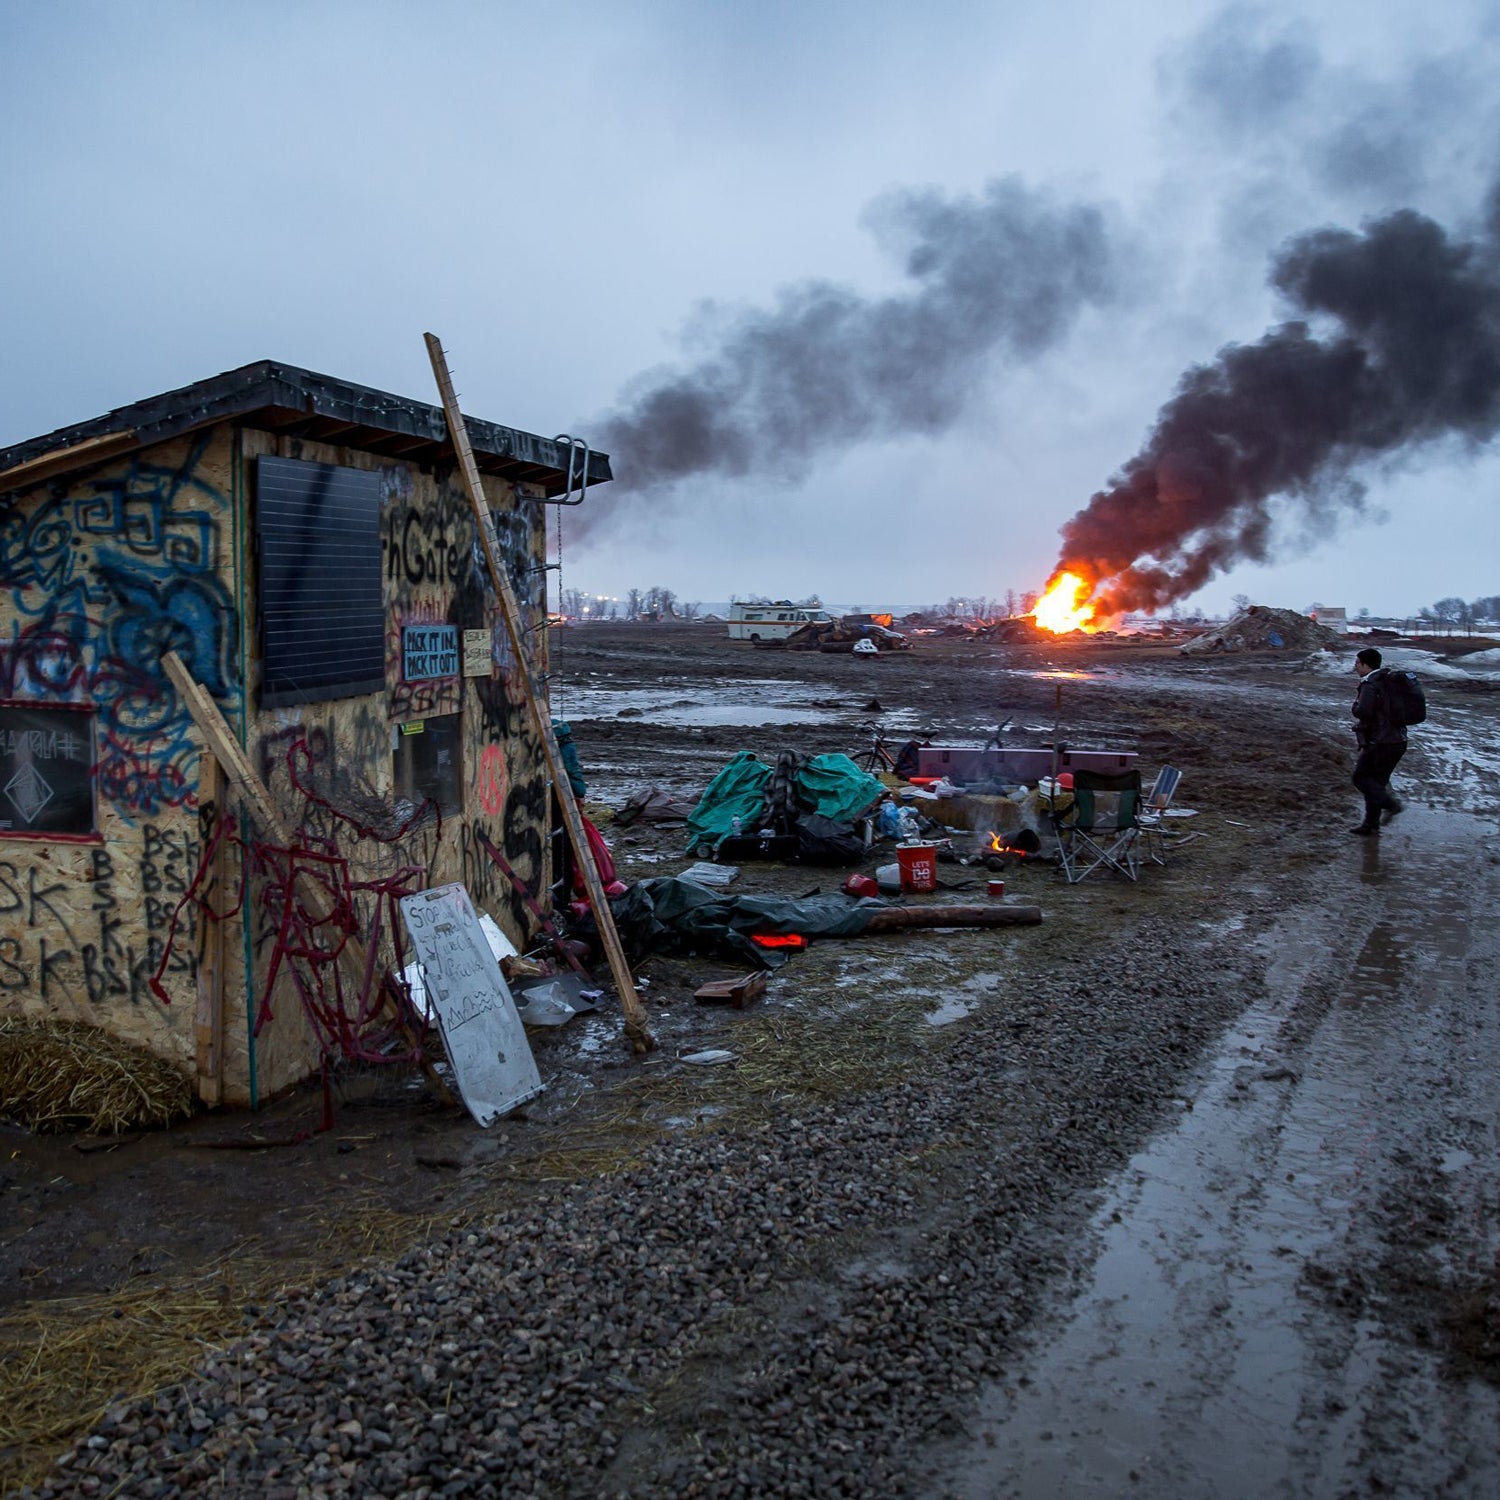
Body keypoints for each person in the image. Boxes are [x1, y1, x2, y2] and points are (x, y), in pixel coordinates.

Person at [1350, 646, 1405, 836]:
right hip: (1397, 740)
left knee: (1360, 778)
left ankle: (1391, 805)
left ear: (1366, 664)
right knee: (1376, 783)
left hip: (1381, 741)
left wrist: (1355, 707)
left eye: (1357, 663)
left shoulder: (1370, 684)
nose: (1355, 666)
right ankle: (1371, 825)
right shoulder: (1388, 680)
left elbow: (1364, 711)